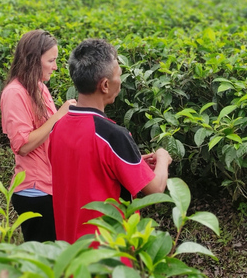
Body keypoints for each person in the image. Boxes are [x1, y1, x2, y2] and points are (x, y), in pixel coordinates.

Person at [48, 38, 172, 244]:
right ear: (105, 85)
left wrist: (131, 161)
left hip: (69, 252)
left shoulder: (58, 127)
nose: (120, 81)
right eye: (119, 75)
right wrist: (162, 158)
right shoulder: (112, 135)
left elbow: (83, 167)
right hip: (107, 255)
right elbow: (155, 188)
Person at [0, 30, 76, 242]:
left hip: (51, 186)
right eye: (51, 60)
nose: (55, 66)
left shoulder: (39, 88)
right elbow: (22, 144)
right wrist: (59, 115)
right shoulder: (14, 93)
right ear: (33, 60)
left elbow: (52, 133)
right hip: (34, 192)